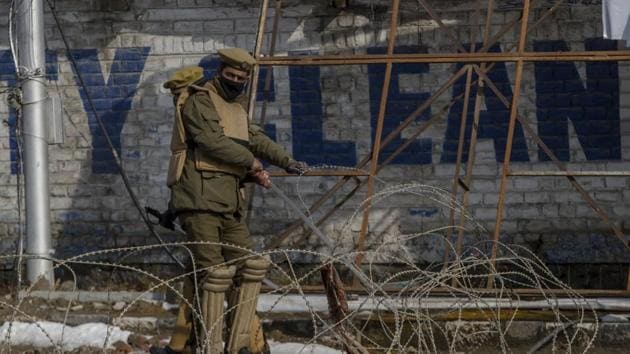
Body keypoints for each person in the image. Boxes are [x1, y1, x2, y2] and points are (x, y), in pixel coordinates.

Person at [150, 48, 307, 354]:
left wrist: (286, 161)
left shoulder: (235, 109)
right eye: (230, 75)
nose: (235, 81)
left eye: (241, 78)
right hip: (201, 203)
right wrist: (252, 164)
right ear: (220, 71)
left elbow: (256, 139)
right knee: (213, 276)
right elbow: (211, 141)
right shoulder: (199, 100)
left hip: (228, 204)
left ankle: (242, 344)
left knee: (246, 269)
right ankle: (209, 345)